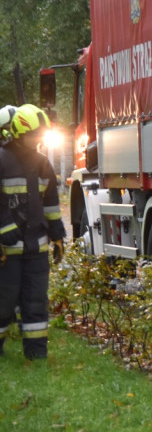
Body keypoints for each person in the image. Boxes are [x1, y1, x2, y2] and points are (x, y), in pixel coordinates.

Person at [0, 104, 66, 359]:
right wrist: (4, 229)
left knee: (36, 302)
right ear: (18, 131)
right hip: (8, 249)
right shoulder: (2, 160)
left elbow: (50, 203)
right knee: (4, 303)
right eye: (33, 135)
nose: (38, 140)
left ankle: (37, 353)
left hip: (36, 247)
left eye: (40, 135)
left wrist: (57, 234)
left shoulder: (42, 163)